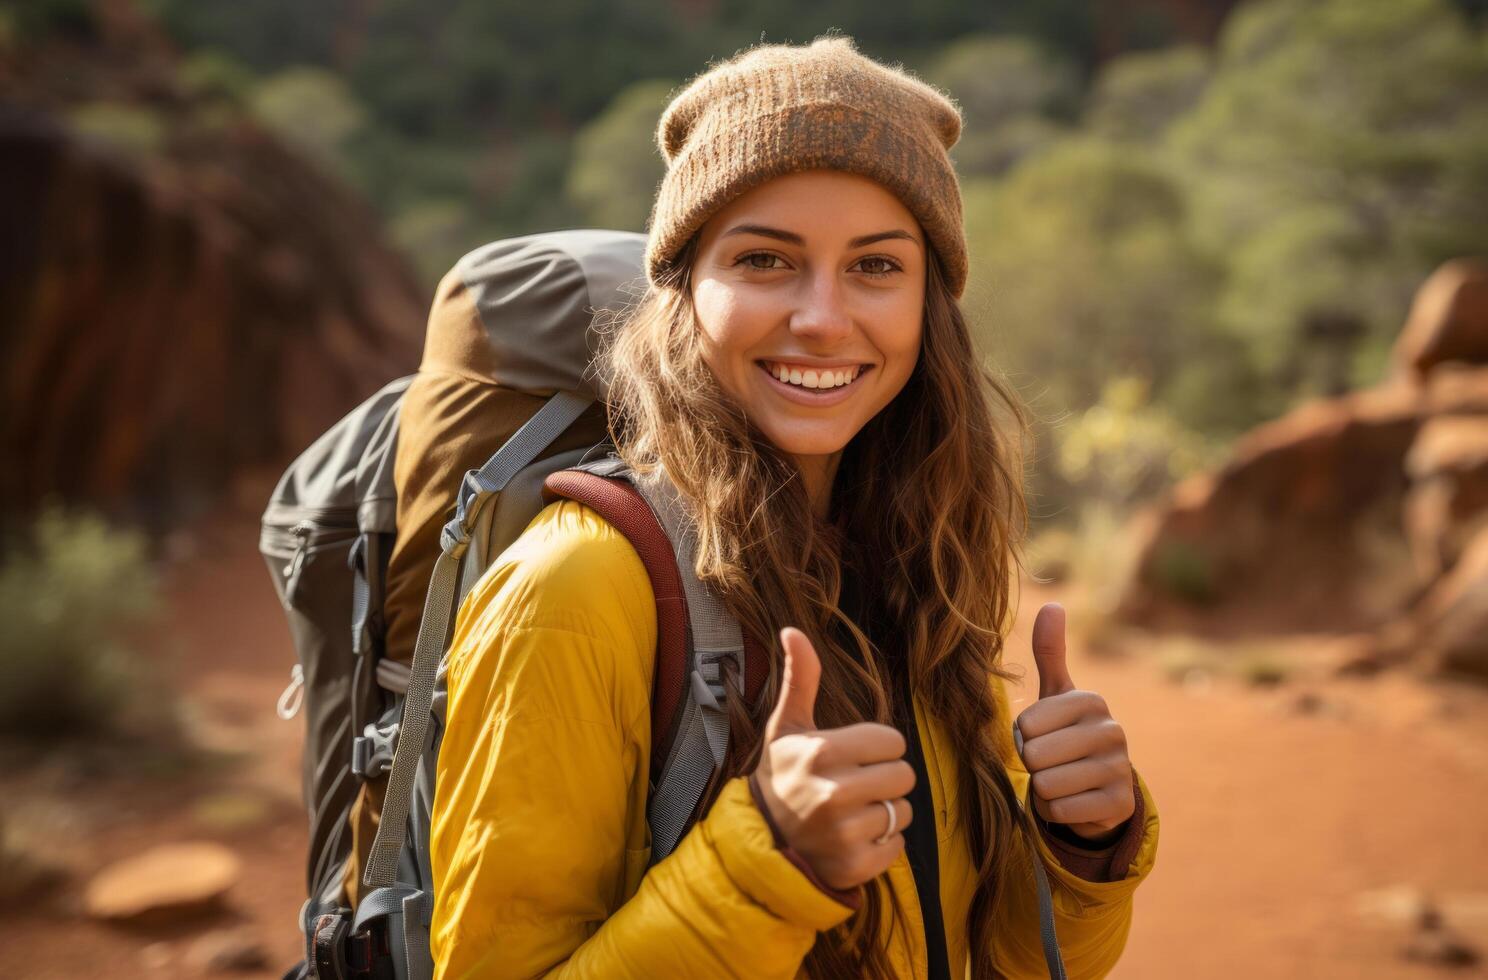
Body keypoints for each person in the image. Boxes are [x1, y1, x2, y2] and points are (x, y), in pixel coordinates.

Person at [430, 35, 1159, 979]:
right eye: (766, 260)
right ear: (685, 290)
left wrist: (1085, 844)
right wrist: (766, 863)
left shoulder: (913, 565)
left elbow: (1000, 956)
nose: (822, 317)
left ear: (930, 301)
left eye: (877, 266)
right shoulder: (574, 588)